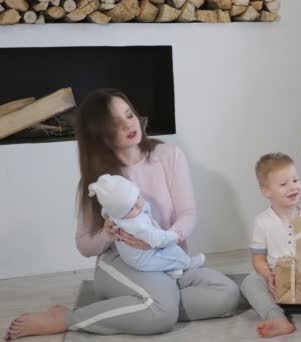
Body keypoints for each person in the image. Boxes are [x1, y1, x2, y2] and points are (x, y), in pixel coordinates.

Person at [4, 88, 239, 341]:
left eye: (129, 115)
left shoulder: (168, 156)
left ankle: (142, 305)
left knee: (227, 293)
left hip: (166, 257)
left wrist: (163, 238)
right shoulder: (99, 183)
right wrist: (107, 234)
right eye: (115, 123)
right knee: (162, 312)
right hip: (121, 262)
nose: (129, 124)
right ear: (99, 134)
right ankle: (67, 318)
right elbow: (84, 245)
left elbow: (188, 214)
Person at [240, 153, 301, 338]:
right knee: (250, 282)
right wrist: (267, 275)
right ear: (266, 191)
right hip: (277, 284)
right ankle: (277, 318)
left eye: (295, 180)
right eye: (284, 184)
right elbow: (258, 258)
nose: (293, 187)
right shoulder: (262, 221)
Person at [88, 174, 206, 279]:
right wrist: (175, 236)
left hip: (133, 257)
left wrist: (106, 217)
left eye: (138, 197)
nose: (139, 205)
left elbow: (106, 210)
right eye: (132, 208)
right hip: (145, 260)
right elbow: (158, 239)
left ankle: (173, 270)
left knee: (168, 257)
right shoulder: (136, 225)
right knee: (174, 252)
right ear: (120, 213)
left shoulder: (114, 214)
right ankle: (187, 263)